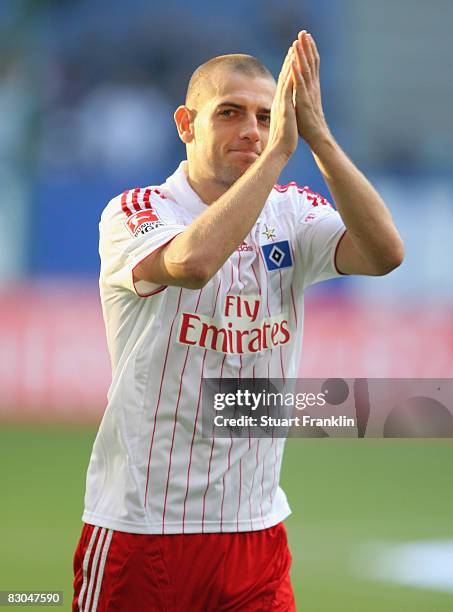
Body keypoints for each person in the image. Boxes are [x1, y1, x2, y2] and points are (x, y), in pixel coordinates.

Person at [73, 31, 403, 611]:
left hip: (255, 535)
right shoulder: (136, 210)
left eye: (267, 116)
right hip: (142, 532)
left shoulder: (292, 211)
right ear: (186, 123)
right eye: (230, 113)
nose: (252, 129)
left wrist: (319, 137)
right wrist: (276, 152)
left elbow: (384, 254)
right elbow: (193, 264)